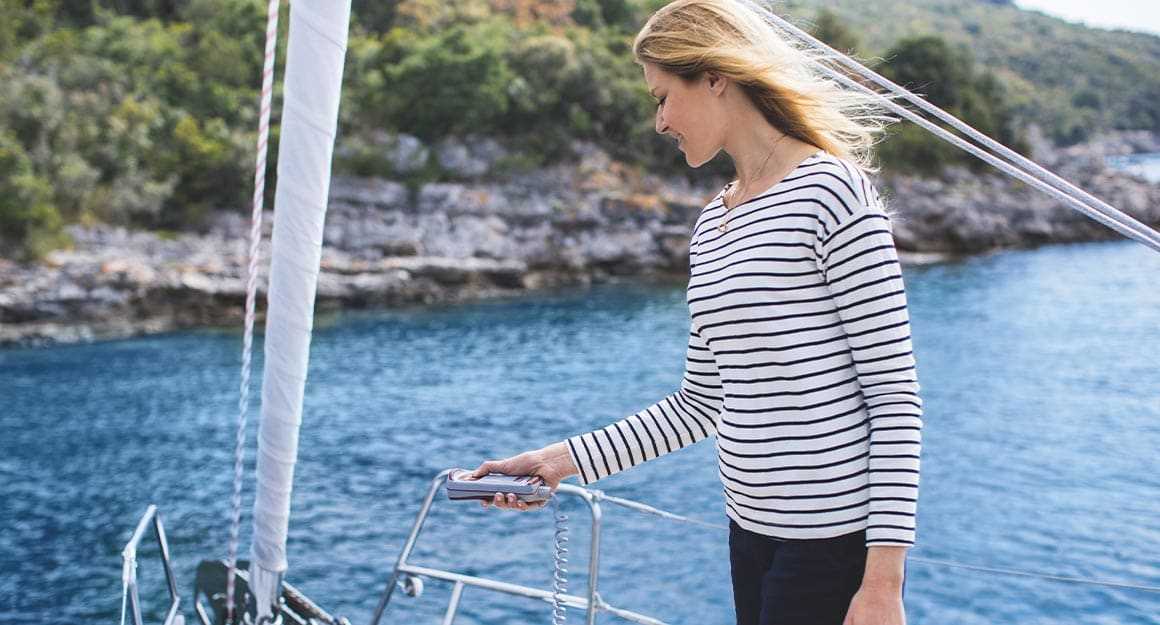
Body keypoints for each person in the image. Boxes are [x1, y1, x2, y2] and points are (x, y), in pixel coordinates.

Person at [472, 1, 923, 624]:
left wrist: (883, 585)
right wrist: (556, 461)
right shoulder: (712, 224)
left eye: (663, 97)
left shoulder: (834, 192)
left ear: (715, 77)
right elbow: (700, 404)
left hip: (831, 548)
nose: (659, 122)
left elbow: (894, 396)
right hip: (748, 536)